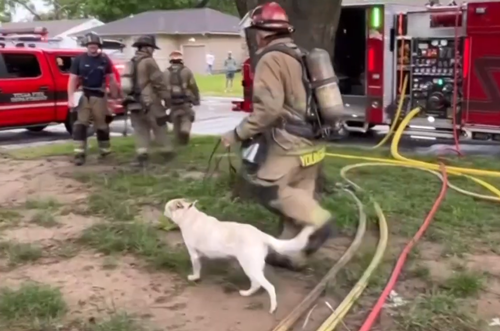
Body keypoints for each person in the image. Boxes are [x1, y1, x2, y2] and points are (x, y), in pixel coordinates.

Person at [220, 2, 334, 270]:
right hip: (314, 142)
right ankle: (291, 255)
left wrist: (237, 134)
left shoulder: (271, 58)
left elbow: (268, 109)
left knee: (268, 190)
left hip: (290, 144)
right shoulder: (300, 54)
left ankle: (320, 222)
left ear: (261, 31)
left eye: (255, 31)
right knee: (298, 195)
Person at [120, 35, 174, 167]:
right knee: (160, 126)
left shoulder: (130, 62)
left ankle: (142, 155)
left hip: (133, 103)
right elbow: (158, 82)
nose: (153, 51)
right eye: (152, 48)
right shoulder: (149, 62)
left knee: (140, 129)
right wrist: (167, 99)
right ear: (146, 48)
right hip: (150, 102)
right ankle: (167, 153)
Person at [68, 32, 119, 166]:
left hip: (100, 96)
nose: (93, 47)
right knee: (80, 125)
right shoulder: (79, 59)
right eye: (90, 45)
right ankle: (79, 154)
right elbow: (72, 79)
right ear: (86, 46)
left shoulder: (105, 59)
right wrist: (70, 98)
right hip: (83, 95)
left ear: (98, 46)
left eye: (95, 45)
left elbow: (112, 78)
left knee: (101, 126)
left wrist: (115, 96)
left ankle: (105, 152)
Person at [163, 50, 200, 145]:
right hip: (185, 101)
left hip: (172, 102)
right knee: (187, 117)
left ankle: (178, 140)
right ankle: (185, 131)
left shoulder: (166, 72)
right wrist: (196, 98)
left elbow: (162, 88)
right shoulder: (186, 71)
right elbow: (193, 85)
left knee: (175, 119)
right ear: (181, 60)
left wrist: (166, 102)